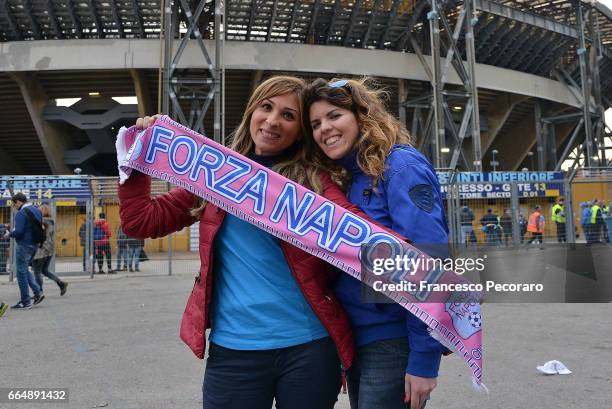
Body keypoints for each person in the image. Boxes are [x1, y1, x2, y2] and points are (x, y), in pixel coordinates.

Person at [119, 76, 379, 409]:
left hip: (309, 349)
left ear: (300, 130)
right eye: (266, 107)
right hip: (234, 351)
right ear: (251, 111)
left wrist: (435, 284)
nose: (272, 121)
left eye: (288, 116)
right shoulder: (214, 174)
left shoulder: (313, 181)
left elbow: (362, 235)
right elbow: (141, 221)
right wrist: (136, 159)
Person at [303, 78, 449, 409]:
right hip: (360, 339)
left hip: (393, 339)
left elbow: (431, 260)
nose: (325, 128)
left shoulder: (399, 165)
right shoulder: (351, 178)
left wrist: (425, 358)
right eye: (315, 123)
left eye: (334, 115)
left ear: (361, 115)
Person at [4, 193, 44, 309]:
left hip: (24, 245)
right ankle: (38, 293)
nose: (14, 206)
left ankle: (25, 301)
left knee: (20, 273)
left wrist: (9, 234)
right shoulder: (36, 210)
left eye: (14, 204)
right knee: (24, 269)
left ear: (18, 202)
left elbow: (19, 231)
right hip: (34, 244)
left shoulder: (21, 213)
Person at [32, 204, 68, 296]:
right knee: (44, 270)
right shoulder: (51, 221)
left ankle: (39, 292)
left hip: (41, 250)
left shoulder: (41, 222)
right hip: (50, 250)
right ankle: (61, 283)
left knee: (37, 272)